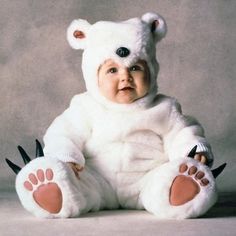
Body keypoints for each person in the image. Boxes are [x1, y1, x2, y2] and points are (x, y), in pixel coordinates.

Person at [9, 12, 225, 219]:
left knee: (161, 184)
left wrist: (192, 151)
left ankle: (180, 190)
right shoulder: (84, 106)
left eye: (135, 68)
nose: (125, 78)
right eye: (112, 70)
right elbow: (63, 134)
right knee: (77, 185)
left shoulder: (165, 108)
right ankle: (56, 191)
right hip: (96, 179)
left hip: (147, 178)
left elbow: (182, 133)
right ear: (94, 77)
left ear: (151, 71)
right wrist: (66, 156)